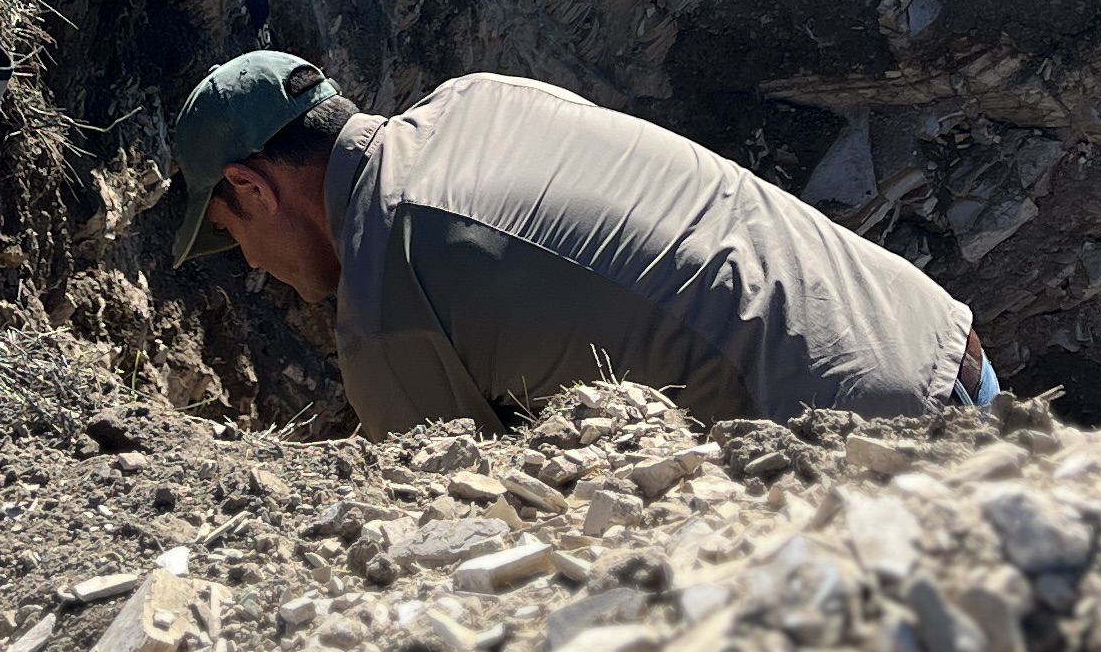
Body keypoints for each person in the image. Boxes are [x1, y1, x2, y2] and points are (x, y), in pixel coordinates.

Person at [167, 48, 994, 438]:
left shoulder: (386, 295)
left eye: (231, 233)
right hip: (935, 340)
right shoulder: (481, 98)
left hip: (867, 442)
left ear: (250, 187)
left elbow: (447, 520)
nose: (246, 262)